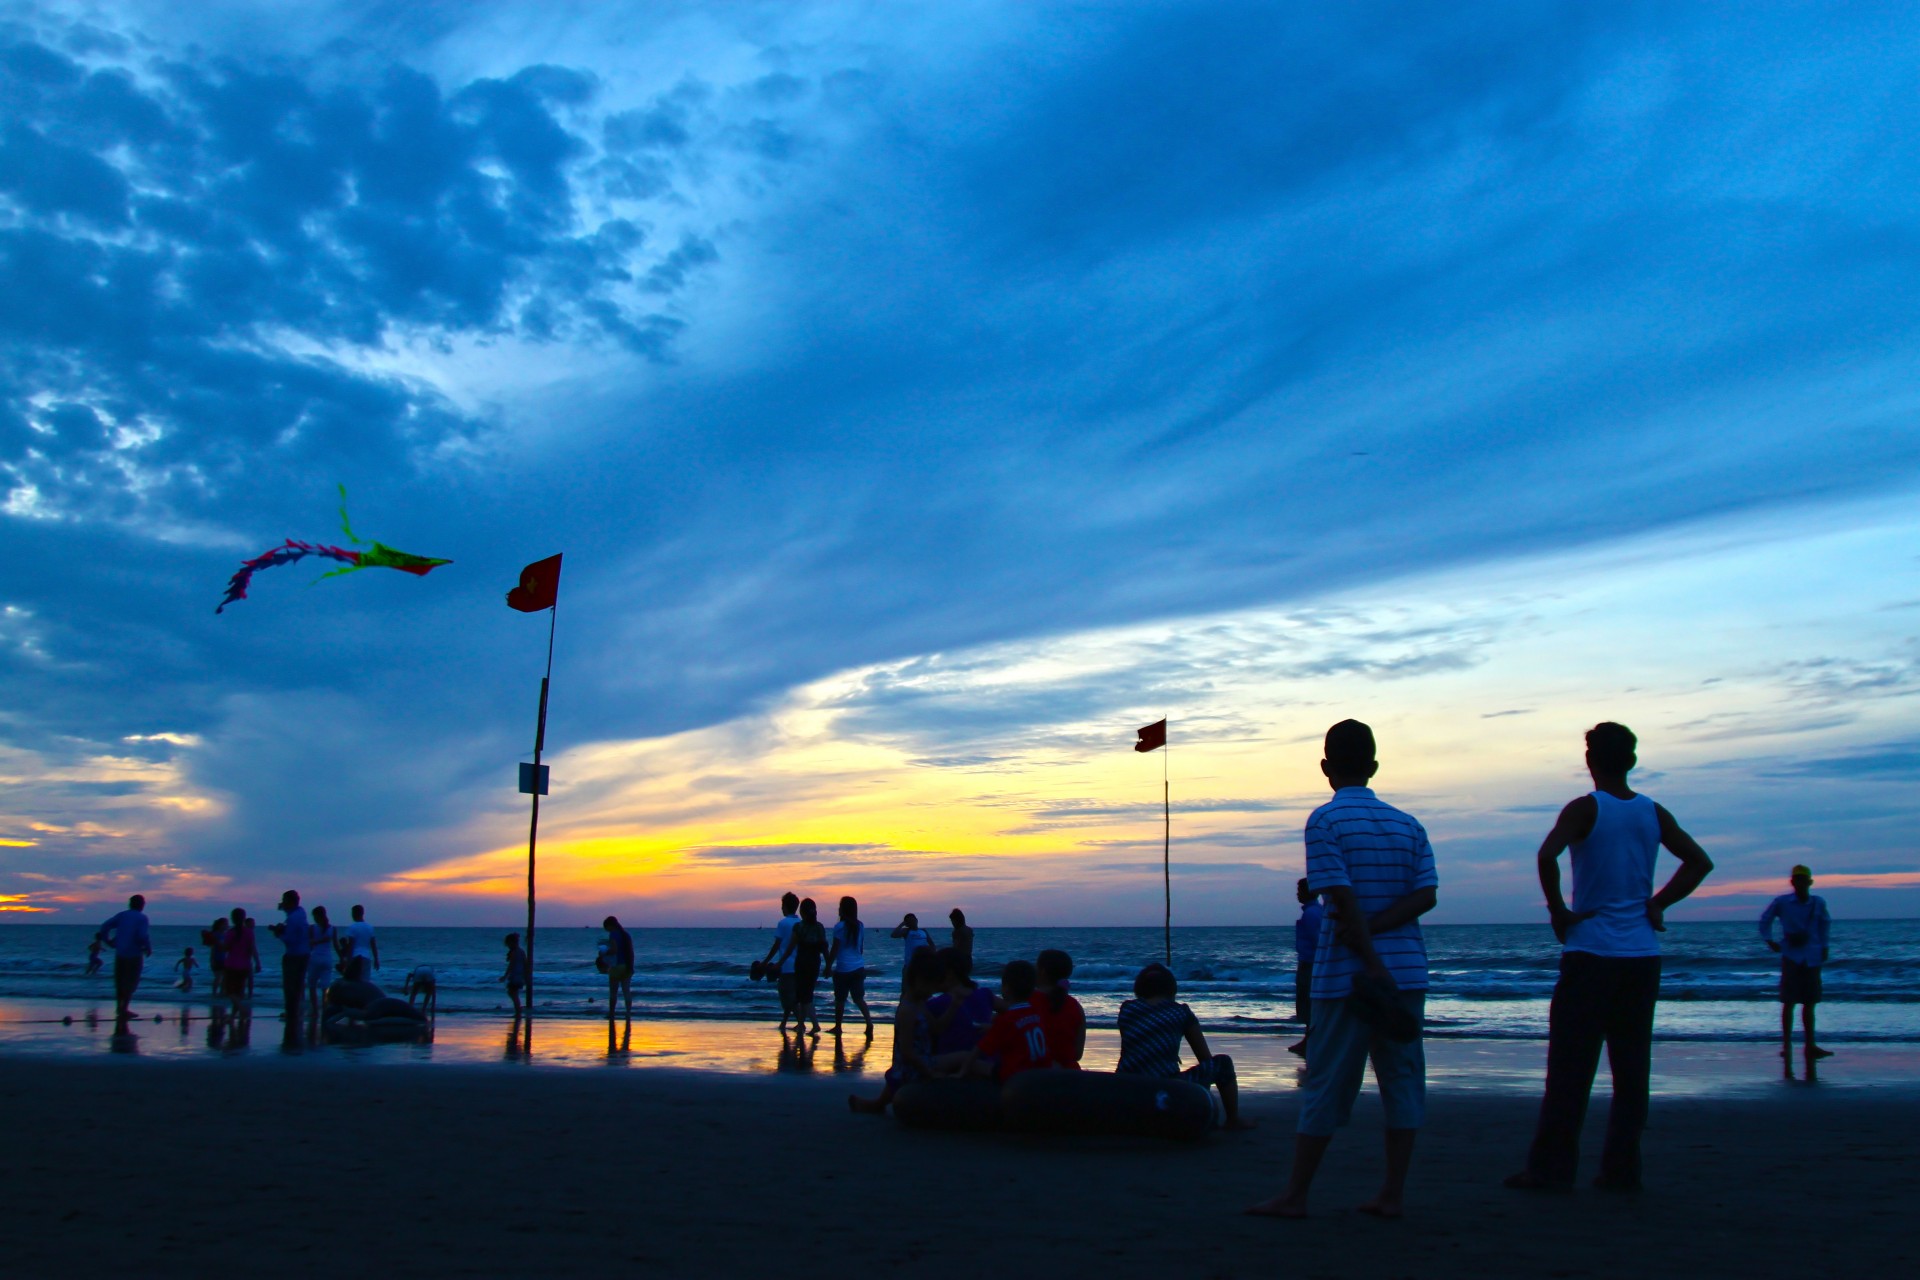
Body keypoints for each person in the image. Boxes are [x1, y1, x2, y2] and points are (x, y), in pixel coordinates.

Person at [1505, 722, 1714, 1194]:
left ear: (1589, 760)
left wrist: (1559, 911)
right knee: (1631, 1069)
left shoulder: (1585, 808)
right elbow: (1699, 862)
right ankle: (1621, 1172)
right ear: (1632, 760)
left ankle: (1551, 1171)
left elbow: (1547, 855)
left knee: (1570, 1070)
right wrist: (1659, 902)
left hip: (1592, 952)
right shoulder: (1652, 812)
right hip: (1641, 956)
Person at [1248, 720, 1439, 1221]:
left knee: (1327, 1082)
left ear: (1326, 768)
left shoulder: (1325, 821)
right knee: (1402, 1081)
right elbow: (1426, 895)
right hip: (1407, 972)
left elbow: (1339, 891)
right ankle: (1392, 1193)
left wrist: (1369, 954)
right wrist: (1380, 932)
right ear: (1374, 767)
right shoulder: (1408, 824)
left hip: (1347, 977)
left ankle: (1296, 1195)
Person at [1118, 963, 1251, 1128]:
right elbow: (1204, 1058)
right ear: (1171, 989)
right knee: (1222, 1064)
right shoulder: (1181, 1012)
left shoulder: (1127, 1009)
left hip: (1126, 1086)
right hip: (1165, 1087)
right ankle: (1233, 1120)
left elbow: (1136, 1046)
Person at [849, 948, 942, 1114]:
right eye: (932, 986)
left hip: (923, 1058)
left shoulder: (920, 1004)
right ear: (920, 981)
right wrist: (928, 1072)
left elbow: (935, 1027)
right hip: (912, 1066)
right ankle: (876, 1105)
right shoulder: (908, 1010)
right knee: (899, 1079)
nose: (933, 991)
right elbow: (906, 1051)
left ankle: (876, 1104)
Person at [1760, 865, 1833, 1061]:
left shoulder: (1818, 903)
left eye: (1803, 880)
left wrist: (1825, 947)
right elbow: (1765, 920)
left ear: (1809, 882)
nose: (1800, 883)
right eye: (1797, 879)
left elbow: (1825, 925)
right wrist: (1770, 941)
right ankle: (1786, 1045)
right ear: (1792, 882)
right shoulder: (1782, 902)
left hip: (1812, 956)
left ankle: (1810, 1045)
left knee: (1810, 1003)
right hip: (1792, 956)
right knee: (1789, 1002)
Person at [952, 960, 1054, 1081]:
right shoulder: (1036, 1014)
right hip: (1040, 1070)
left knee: (967, 1060)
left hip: (1015, 1075)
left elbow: (979, 1049)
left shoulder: (1006, 1019)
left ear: (1006, 988)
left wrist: (962, 1071)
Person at [925, 948, 997, 1067]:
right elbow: (1014, 1009)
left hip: (955, 1062)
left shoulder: (935, 1004)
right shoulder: (985, 994)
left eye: (935, 972)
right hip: (987, 1059)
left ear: (949, 974)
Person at [824, 896, 872, 1037]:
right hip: (858, 966)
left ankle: (838, 1026)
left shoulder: (839, 927)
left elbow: (835, 948)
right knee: (858, 998)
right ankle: (869, 1023)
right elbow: (860, 947)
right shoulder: (860, 925)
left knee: (840, 999)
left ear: (843, 909)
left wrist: (828, 966)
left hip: (843, 968)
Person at [778, 899, 828, 1035]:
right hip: (814, 964)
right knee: (806, 995)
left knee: (802, 996)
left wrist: (780, 963)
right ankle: (802, 1025)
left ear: (802, 912)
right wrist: (828, 964)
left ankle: (807, 1025)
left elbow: (790, 948)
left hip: (801, 964)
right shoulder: (819, 927)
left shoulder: (799, 927)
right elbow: (824, 947)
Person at [98, 894, 152, 1019]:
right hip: (134, 954)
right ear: (141, 905)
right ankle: (124, 1008)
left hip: (120, 953)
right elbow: (142, 935)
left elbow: (104, 926)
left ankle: (119, 1007)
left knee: (120, 981)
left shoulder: (122, 915)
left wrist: (108, 941)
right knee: (131, 982)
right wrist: (147, 946)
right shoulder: (142, 918)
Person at [1289, 878, 1323, 1057]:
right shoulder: (1316, 912)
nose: (1297, 894)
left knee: (1307, 1002)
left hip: (1310, 963)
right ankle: (1309, 1039)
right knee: (1308, 1002)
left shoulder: (1311, 914)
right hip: (1310, 962)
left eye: (1300, 890)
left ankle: (1309, 1041)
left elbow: (1318, 941)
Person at [1034, 949, 1085, 1069]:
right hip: (1070, 1075)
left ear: (1042, 972)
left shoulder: (1027, 1002)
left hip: (1034, 1075)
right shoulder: (1076, 1007)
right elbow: (1077, 1054)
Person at [761, 893, 802, 1030]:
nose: (781, 909)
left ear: (785, 907)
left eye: (782, 906)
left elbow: (776, 945)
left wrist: (765, 961)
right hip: (799, 965)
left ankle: (800, 1023)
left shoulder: (783, 923)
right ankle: (784, 1023)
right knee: (792, 995)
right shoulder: (801, 923)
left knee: (786, 997)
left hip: (786, 966)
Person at [270, 890, 311, 1022]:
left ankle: (291, 1011)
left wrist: (278, 933)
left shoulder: (293, 918)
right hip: (304, 953)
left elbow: (290, 939)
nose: (282, 902)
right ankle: (296, 1010)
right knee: (298, 984)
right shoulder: (301, 912)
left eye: (284, 900)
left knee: (290, 985)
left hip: (294, 954)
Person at [221, 908, 257, 1015]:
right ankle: (233, 1016)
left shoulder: (231, 932)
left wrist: (216, 943)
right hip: (245, 965)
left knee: (229, 991)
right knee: (239, 992)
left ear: (233, 918)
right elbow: (251, 948)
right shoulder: (249, 932)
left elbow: (226, 948)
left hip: (232, 964)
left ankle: (241, 1009)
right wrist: (256, 962)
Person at [890, 913, 936, 992]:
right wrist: (902, 924)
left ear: (916, 920)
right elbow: (893, 935)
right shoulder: (907, 932)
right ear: (907, 923)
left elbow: (932, 945)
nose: (912, 922)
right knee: (906, 990)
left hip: (922, 965)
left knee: (922, 989)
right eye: (909, 921)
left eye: (913, 920)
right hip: (910, 965)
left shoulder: (923, 931)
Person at [305, 906, 337, 1014]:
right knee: (325, 987)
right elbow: (336, 946)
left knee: (312, 985)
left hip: (315, 958)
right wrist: (342, 957)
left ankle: (314, 1009)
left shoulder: (312, 928)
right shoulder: (332, 928)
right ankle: (325, 1009)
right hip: (327, 958)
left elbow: (309, 945)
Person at [603, 915, 634, 1022]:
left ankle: (612, 1013)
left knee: (613, 992)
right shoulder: (626, 935)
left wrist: (604, 952)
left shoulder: (613, 935)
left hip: (616, 967)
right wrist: (631, 967)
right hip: (626, 966)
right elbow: (631, 952)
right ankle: (628, 1014)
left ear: (610, 926)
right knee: (626, 991)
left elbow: (614, 950)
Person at [344, 904, 380, 982]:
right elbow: (373, 945)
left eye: (353, 913)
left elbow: (351, 945)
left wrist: (347, 960)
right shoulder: (369, 927)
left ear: (355, 913)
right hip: (366, 956)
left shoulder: (352, 927)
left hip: (355, 957)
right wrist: (376, 959)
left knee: (354, 980)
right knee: (365, 981)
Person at [503, 933, 528, 1014]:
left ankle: (518, 1010)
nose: (508, 946)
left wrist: (505, 976)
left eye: (508, 944)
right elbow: (525, 964)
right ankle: (518, 1009)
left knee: (513, 993)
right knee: (513, 993)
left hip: (515, 976)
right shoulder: (521, 951)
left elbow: (511, 965)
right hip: (519, 976)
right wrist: (525, 976)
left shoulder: (515, 952)